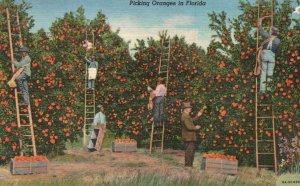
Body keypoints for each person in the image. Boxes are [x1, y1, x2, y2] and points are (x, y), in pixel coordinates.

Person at [255, 16, 281, 94]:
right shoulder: (278, 40)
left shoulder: (266, 36)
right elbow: (277, 51)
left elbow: (260, 30)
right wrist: (273, 55)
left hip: (264, 55)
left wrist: (260, 22)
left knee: (263, 73)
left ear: (270, 32)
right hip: (272, 56)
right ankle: (269, 90)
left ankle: (262, 90)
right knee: (270, 73)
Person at [181, 101, 204, 167]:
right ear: (186, 109)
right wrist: (196, 127)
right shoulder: (184, 116)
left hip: (189, 137)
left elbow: (191, 120)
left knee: (191, 152)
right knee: (189, 152)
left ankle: (189, 165)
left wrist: (198, 115)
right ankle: (188, 166)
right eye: (189, 107)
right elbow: (188, 127)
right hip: (188, 137)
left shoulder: (186, 115)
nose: (190, 109)